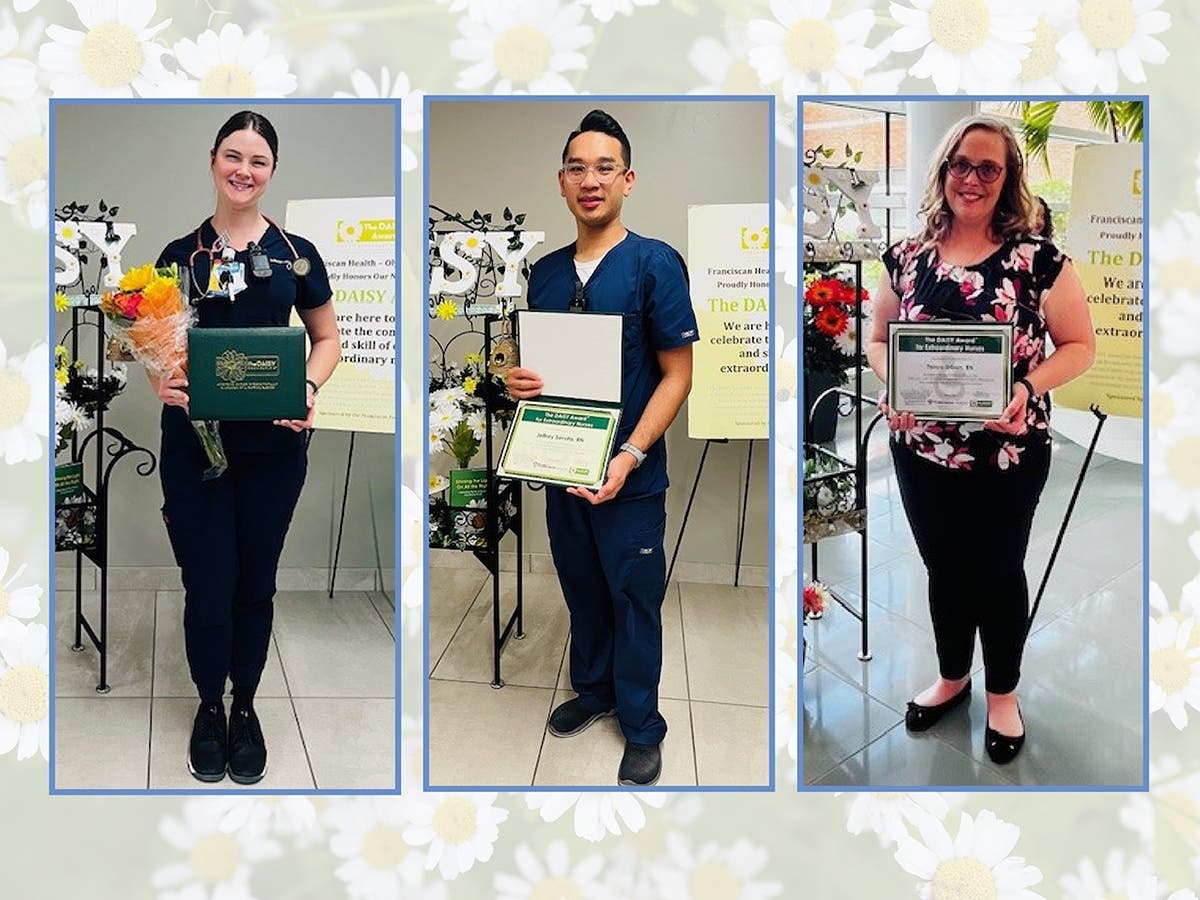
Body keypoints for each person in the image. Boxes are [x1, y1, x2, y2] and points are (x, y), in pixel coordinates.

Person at [865, 115, 1094, 765]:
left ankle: (1002, 694)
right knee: (944, 568)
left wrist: (1026, 386)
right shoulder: (908, 258)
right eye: (960, 164)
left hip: (1009, 451)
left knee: (996, 572)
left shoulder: (1039, 261)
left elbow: (1079, 346)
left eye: (988, 168)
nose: (971, 178)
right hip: (923, 452)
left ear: (1009, 178)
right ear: (943, 170)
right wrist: (895, 386)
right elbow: (879, 341)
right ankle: (953, 675)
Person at [505, 109, 698, 786]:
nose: (591, 180)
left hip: (629, 475)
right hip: (563, 467)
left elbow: (677, 374)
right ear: (561, 183)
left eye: (605, 167)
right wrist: (516, 380)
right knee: (582, 590)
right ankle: (594, 691)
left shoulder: (654, 264)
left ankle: (643, 724)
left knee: (633, 597)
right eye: (577, 168)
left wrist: (631, 454)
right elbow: (535, 372)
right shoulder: (546, 274)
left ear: (628, 180)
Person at [153, 111, 340, 784]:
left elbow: (326, 340)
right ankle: (209, 705)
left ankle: (247, 705)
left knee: (254, 584)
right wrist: (162, 383)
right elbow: (161, 351)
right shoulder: (178, 257)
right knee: (207, 585)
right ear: (212, 161)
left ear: (271, 173)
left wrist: (310, 389)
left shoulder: (298, 255)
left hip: (273, 452)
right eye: (233, 156)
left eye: (257, 161)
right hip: (193, 450)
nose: (244, 170)